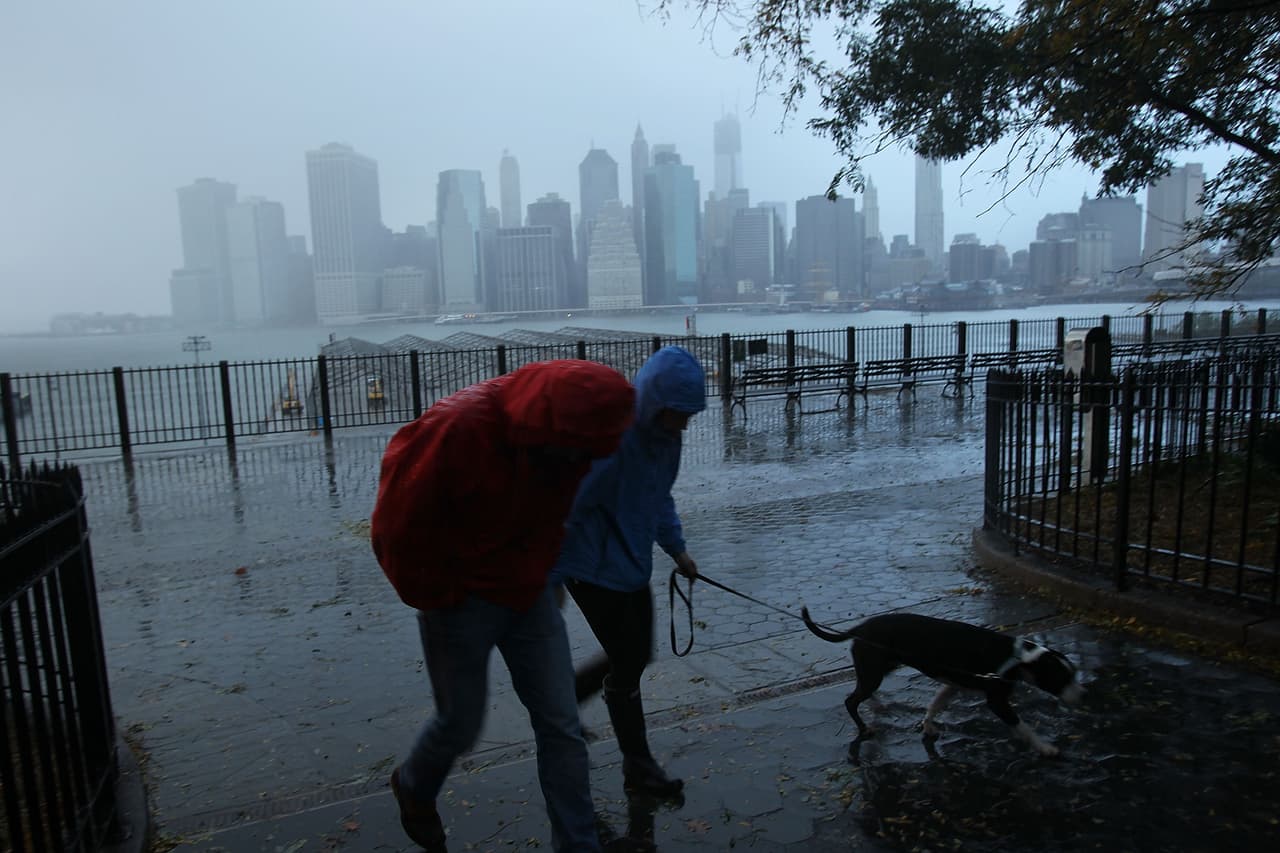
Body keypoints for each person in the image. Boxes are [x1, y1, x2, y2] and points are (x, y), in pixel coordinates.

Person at [370, 359, 636, 853]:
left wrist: (547, 574)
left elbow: (557, 506)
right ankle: (414, 784)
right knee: (461, 722)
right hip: (458, 599)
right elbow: (396, 527)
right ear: (551, 428)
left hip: (526, 589)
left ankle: (579, 847)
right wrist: (438, 599)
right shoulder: (459, 428)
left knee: (560, 725)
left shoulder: (573, 438)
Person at [552, 345, 706, 799]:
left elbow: (660, 496)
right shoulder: (613, 442)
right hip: (591, 568)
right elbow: (570, 507)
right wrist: (555, 576)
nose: (685, 424)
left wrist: (677, 549)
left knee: (637, 655)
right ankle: (637, 766)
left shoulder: (666, 439)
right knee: (629, 659)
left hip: (632, 563)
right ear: (655, 402)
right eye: (678, 413)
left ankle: (564, 700)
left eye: (689, 415)